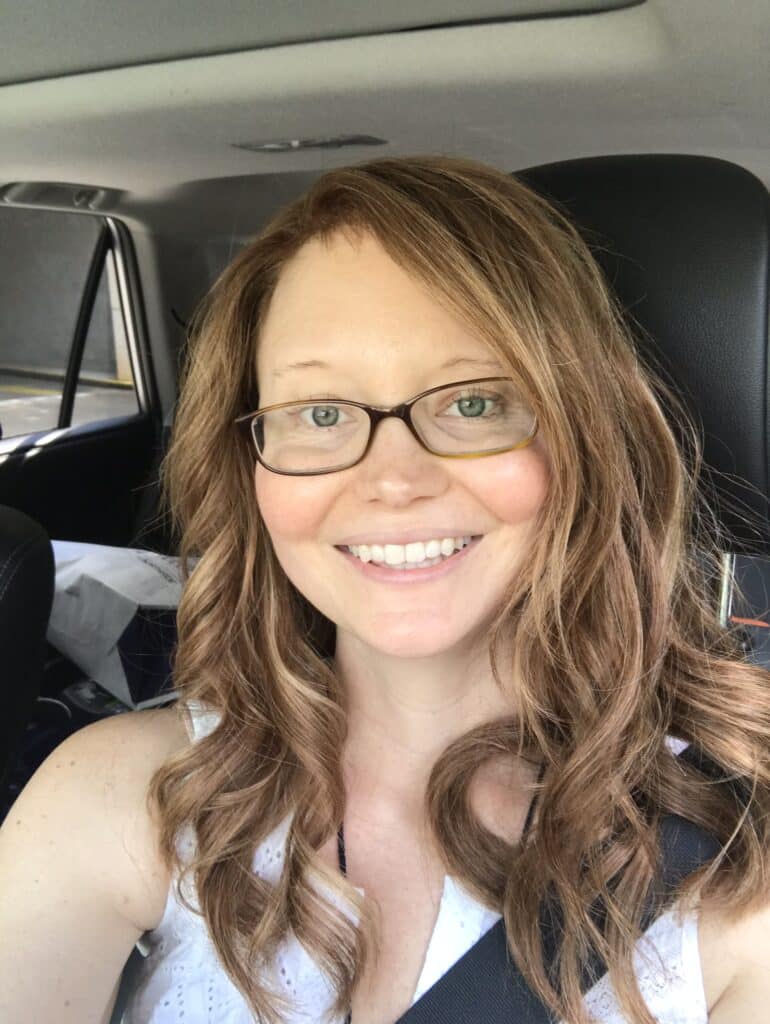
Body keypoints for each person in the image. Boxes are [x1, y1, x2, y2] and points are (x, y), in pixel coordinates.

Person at [1, 155, 769, 1024]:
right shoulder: (122, 796)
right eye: (322, 413)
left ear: (582, 434)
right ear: (248, 463)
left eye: (474, 403)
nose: (392, 480)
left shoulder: (735, 864)